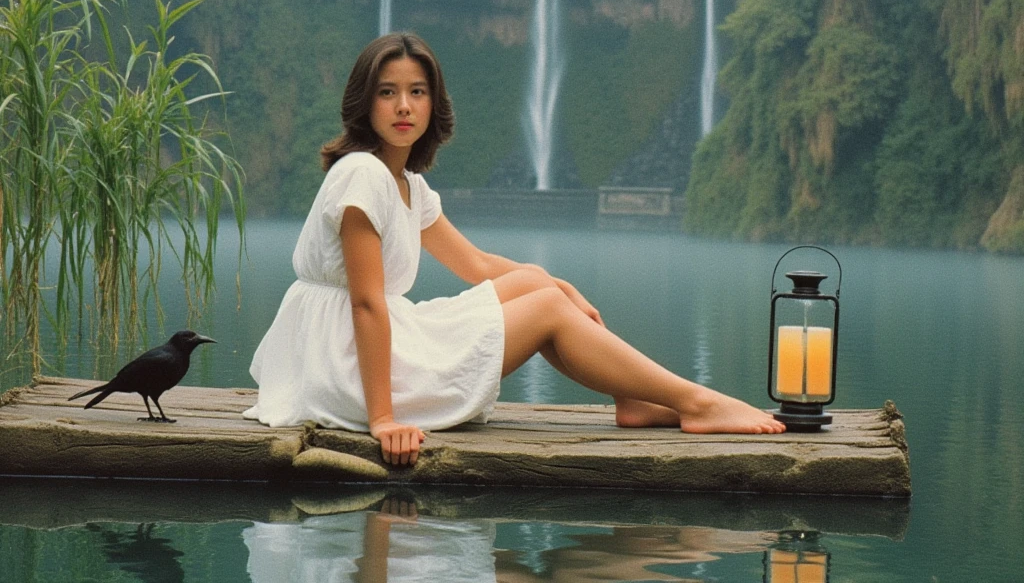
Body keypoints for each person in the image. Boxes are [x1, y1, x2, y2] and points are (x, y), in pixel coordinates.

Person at [243, 32, 784, 464]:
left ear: (434, 101)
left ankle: (635, 400)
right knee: (545, 310)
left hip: (360, 340)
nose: (403, 106)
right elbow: (365, 303)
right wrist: (383, 420)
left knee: (538, 287)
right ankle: (697, 402)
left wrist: (558, 282)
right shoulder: (362, 174)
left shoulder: (407, 184)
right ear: (365, 101)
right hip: (341, 361)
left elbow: (475, 265)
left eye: (417, 91)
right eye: (387, 92)